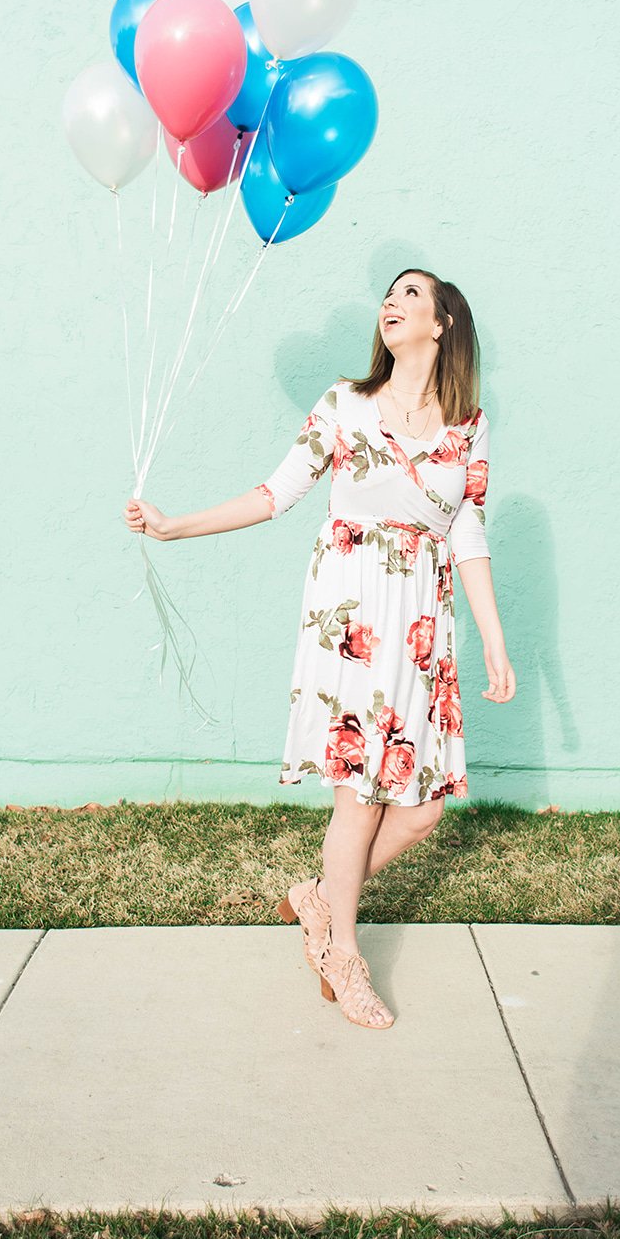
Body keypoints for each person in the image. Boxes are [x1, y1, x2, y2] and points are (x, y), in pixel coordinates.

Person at [125, 267, 516, 1030]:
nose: (392, 304)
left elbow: (466, 529)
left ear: (442, 325)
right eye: (390, 295)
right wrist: (176, 527)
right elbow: (274, 494)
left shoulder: (468, 423)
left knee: (422, 811)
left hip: (423, 627)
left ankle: (317, 897)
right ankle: (343, 951)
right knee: (361, 795)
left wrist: (495, 644)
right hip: (353, 619)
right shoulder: (346, 404)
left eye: (411, 295)